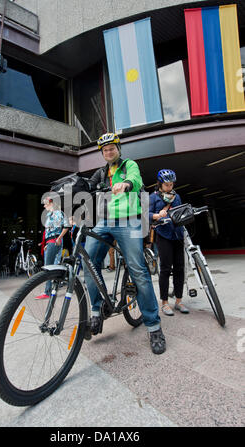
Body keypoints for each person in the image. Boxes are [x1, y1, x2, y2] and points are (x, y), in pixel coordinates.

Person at [83, 132, 166, 355]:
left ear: (118, 149)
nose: (108, 152)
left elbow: (136, 180)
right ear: (102, 153)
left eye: (112, 148)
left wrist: (127, 184)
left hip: (129, 220)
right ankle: (97, 310)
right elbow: (87, 188)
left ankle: (153, 326)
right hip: (104, 221)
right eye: (105, 150)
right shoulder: (100, 173)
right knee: (87, 264)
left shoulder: (129, 165)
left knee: (138, 270)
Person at [149, 169, 189, 316]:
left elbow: (180, 211)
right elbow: (144, 215)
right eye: (166, 185)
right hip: (163, 235)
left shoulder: (176, 196)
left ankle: (179, 301)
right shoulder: (152, 197)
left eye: (171, 184)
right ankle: (165, 303)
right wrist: (157, 215)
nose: (169, 187)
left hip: (177, 235)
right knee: (165, 269)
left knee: (179, 268)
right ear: (160, 184)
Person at [35, 197, 69, 299]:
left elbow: (65, 227)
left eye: (46, 204)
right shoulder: (52, 214)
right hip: (51, 241)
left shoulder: (57, 213)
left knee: (48, 267)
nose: (44, 206)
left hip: (54, 241)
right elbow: (51, 231)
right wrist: (47, 243)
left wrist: (58, 238)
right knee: (53, 265)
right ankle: (53, 287)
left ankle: (48, 292)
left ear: (51, 204)